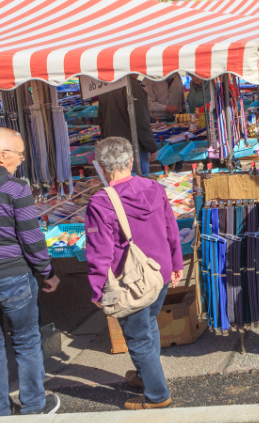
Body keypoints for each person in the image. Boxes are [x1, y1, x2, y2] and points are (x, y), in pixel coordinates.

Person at [85, 136, 183, 410]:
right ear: (130, 161)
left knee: (138, 336)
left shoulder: (101, 202)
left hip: (131, 281)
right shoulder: (153, 187)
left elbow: (99, 253)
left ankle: (157, 394)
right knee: (148, 323)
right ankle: (145, 375)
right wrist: (177, 264)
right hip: (159, 272)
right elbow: (171, 229)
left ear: (102, 168)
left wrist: (97, 290)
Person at [0, 128, 61, 416]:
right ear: (2, 156)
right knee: (25, 340)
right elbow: (31, 237)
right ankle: (34, 405)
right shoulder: (15, 189)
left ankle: (2, 409)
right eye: (20, 154)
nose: (22, 160)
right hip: (14, 276)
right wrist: (47, 272)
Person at [98, 77, 157, 175]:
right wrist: (152, 147)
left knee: (121, 186)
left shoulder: (107, 87)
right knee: (138, 186)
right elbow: (141, 121)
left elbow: (101, 120)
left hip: (113, 149)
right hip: (133, 150)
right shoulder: (132, 86)